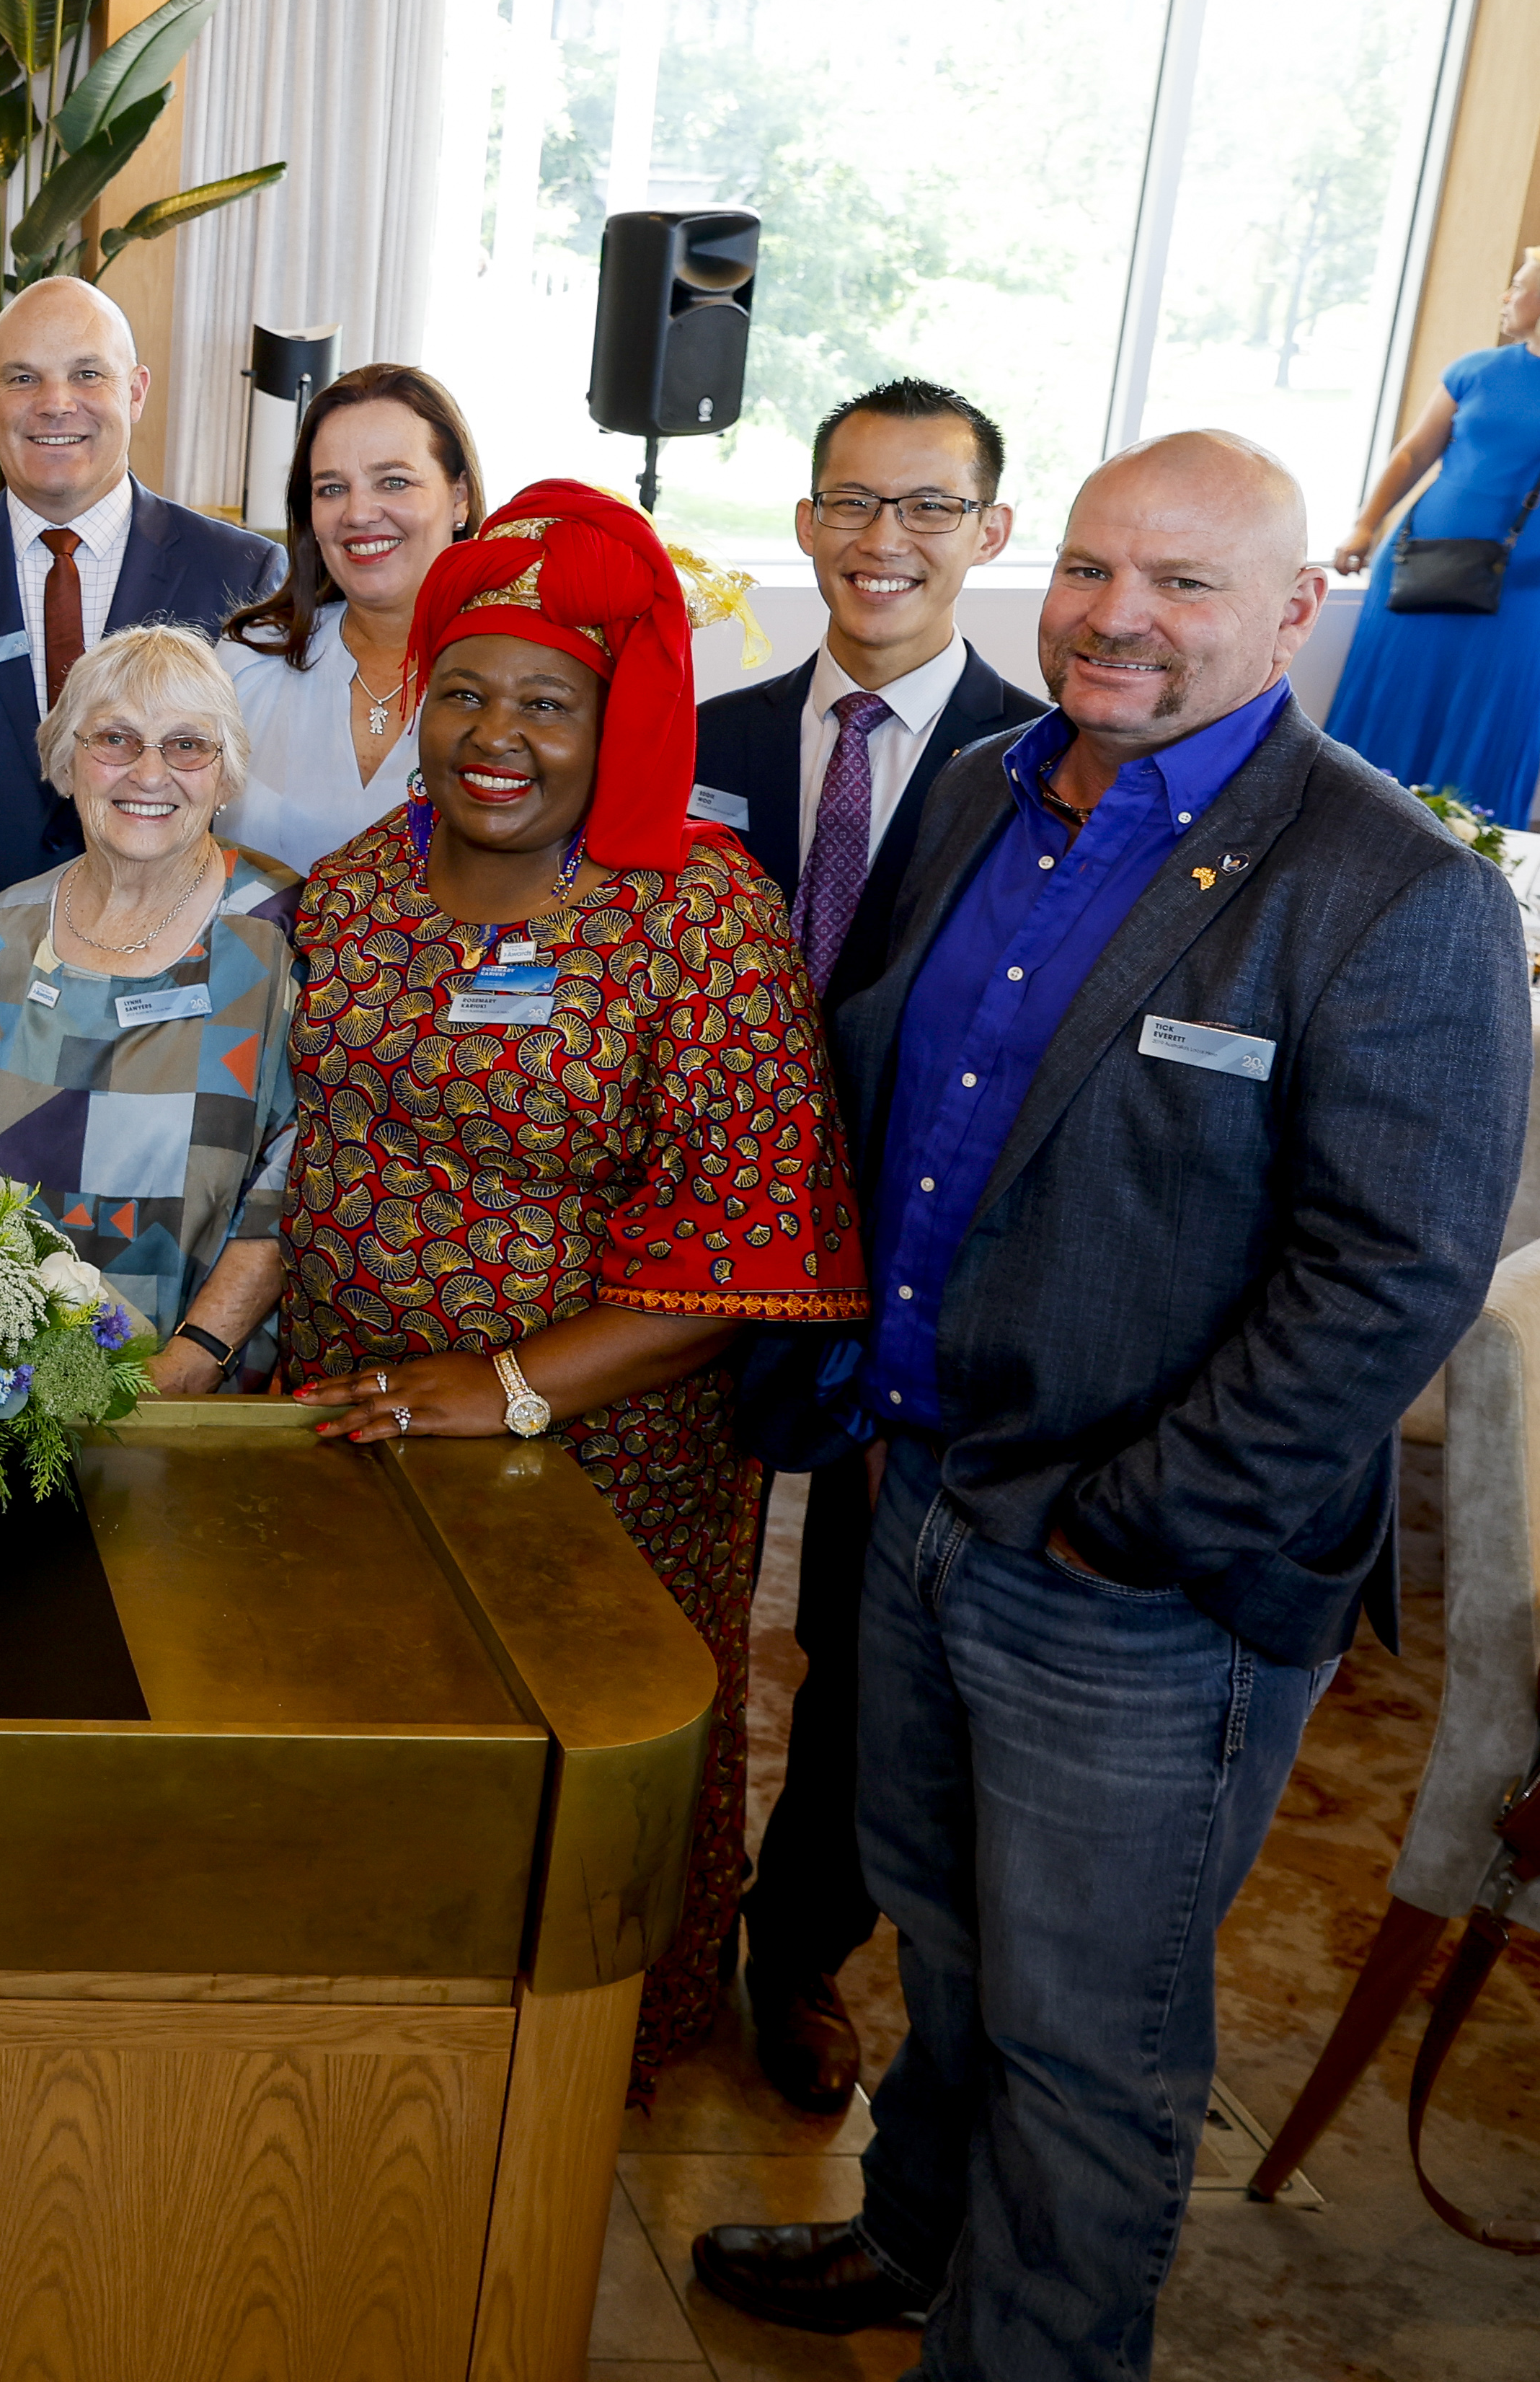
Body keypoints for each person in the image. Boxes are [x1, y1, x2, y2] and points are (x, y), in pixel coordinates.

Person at [693, 432, 1528, 2374]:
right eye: (1086, 570)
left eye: (1179, 584)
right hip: (921, 1502)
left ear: (1293, 611)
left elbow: (1387, 1278)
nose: (1116, 618)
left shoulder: (1385, 892)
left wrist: (1124, 1519)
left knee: (1087, 2035)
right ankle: (910, 2244)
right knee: (952, 1960)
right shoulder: (991, 790)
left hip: (1137, 1582)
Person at [281, 480, 867, 2102]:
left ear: (621, 724)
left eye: (548, 701)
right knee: (377, 1732)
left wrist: (510, 1383)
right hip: (347, 1426)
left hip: (599, 1469)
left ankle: (575, 2060)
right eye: (464, 688)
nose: (496, 733)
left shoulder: (699, 916)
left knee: (576, 1765)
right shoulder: (359, 883)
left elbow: (757, 1238)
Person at [691, 375, 1043, 2117]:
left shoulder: (1050, 774)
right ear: (809, 520)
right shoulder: (707, 739)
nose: (882, 541)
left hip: (909, 1287)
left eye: (927, 508)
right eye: (852, 502)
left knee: (855, 1639)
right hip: (704, 1263)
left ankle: (799, 1950)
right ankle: (653, 1924)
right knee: (670, 1610)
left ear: (990, 531)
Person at [0, 276, 286, 912]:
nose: (56, 403)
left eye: (89, 374)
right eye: (23, 378)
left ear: (136, 390)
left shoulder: (241, 573)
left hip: (175, 965)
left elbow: (256, 790)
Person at [0, 625, 295, 1394]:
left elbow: (296, 1177)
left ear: (227, 774)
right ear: (66, 762)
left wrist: (192, 1360)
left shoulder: (277, 931)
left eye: (186, 746)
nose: (149, 773)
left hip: (198, 1381)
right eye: (115, 739)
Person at [213, 363, 482, 876]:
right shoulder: (246, 662)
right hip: (253, 957)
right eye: (332, 489)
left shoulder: (519, 677)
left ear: (459, 499)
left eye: (394, 482)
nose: (358, 513)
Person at [1323, 245, 1540, 822]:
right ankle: (1345, 831)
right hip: (1416, 566)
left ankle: (1469, 863)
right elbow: (1415, 452)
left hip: (1521, 592)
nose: (1506, 297)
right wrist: (1365, 527)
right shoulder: (1476, 370)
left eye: (1518, 285)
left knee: (1491, 715)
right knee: (1391, 699)